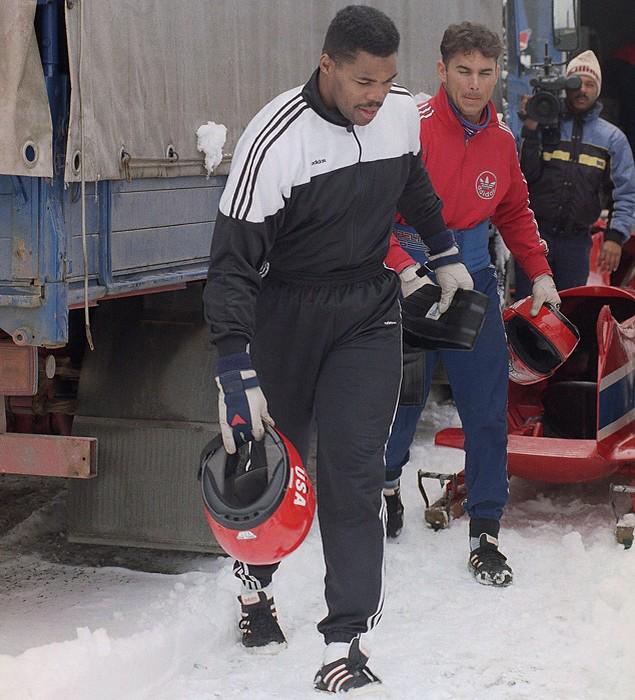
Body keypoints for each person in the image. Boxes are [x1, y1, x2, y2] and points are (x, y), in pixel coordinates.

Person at [203, 6, 473, 694]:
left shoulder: (399, 112)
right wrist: (234, 365)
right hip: (286, 311)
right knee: (274, 464)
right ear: (327, 65)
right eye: (361, 82)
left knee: (351, 472)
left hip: (368, 310)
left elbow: (410, 181)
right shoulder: (275, 137)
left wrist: (441, 254)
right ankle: (253, 585)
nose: (374, 97)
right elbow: (232, 263)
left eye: (384, 82)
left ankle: (345, 642)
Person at [383, 22, 561, 587]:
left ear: (497, 75)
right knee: (402, 403)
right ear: (442, 71)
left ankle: (485, 533)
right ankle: (386, 483)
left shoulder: (502, 141)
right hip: (412, 282)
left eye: (486, 73)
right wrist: (402, 267)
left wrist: (541, 275)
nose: (475, 85)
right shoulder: (411, 128)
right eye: (464, 71)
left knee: (487, 410)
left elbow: (514, 212)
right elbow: (370, 216)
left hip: (475, 283)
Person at [516, 50, 635, 296]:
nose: (583, 90)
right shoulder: (544, 126)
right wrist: (530, 128)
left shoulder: (613, 139)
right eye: (576, 83)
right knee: (528, 312)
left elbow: (626, 193)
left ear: (598, 90)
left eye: (590, 84)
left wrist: (615, 237)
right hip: (536, 238)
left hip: (577, 243)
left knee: (570, 310)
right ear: (566, 87)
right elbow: (524, 175)